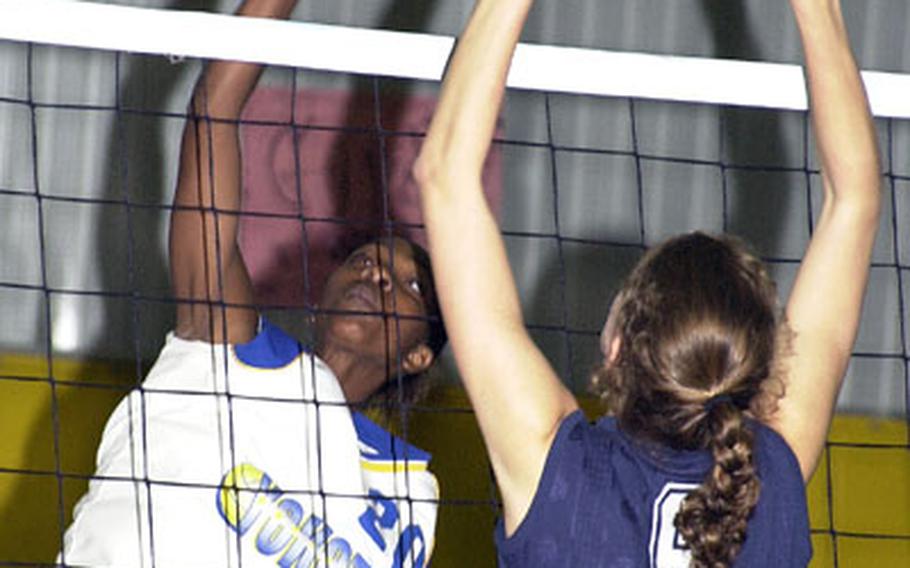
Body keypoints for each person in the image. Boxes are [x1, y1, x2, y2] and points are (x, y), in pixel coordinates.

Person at [415, 0, 879, 566]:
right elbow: (853, 201)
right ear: (767, 370)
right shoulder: (773, 478)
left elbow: (445, 174)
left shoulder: (557, 469)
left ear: (614, 349)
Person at [60, 0, 444, 566]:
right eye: (363, 260)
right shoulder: (226, 345)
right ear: (319, 302)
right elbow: (213, 109)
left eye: (410, 286)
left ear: (419, 355)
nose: (377, 273)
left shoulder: (410, 498)